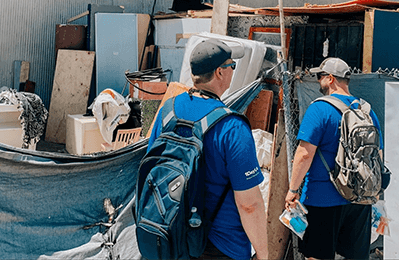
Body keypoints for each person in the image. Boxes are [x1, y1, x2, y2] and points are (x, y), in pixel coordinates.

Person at [147, 39, 269, 260]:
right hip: (221, 247)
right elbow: (249, 204)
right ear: (220, 73)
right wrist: (263, 253)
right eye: (232, 66)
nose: (233, 70)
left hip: (171, 236)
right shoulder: (233, 127)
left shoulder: (168, 111)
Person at [285, 57, 383, 260]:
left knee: (317, 256)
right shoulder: (367, 110)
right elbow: (378, 155)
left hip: (322, 198)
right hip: (359, 197)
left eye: (320, 76)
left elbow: (304, 154)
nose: (318, 80)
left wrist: (293, 190)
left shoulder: (319, 109)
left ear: (330, 78)